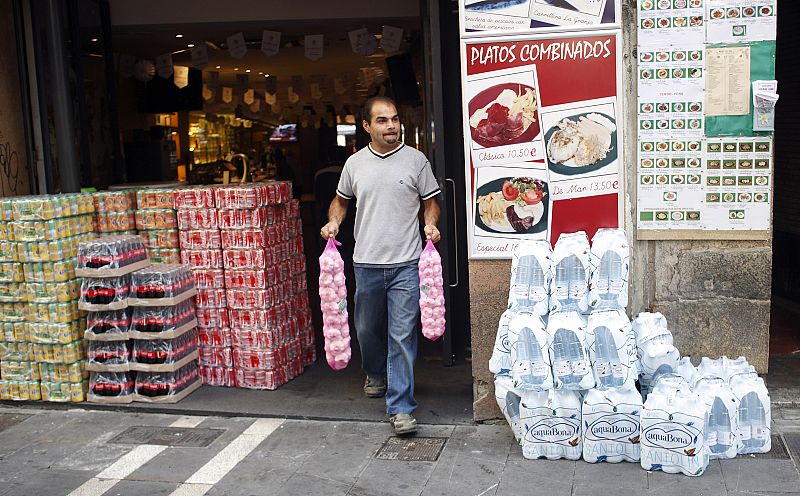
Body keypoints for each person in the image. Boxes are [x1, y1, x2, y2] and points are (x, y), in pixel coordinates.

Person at [320, 96, 441, 435]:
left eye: (395, 119)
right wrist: (333, 222)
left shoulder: (416, 161)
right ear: (367, 126)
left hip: (407, 263)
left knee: (402, 336)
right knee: (367, 330)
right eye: (383, 120)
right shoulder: (355, 164)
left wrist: (430, 224)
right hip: (366, 264)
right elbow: (341, 201)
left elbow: (430, 202)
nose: (392, 126)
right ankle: (374, 372)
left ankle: (401, 407)